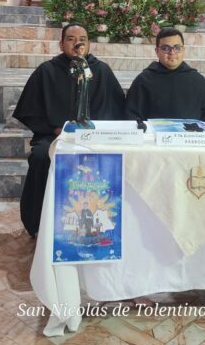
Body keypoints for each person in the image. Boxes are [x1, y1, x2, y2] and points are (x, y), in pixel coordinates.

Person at [13, 23, 125, 237]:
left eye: (82, 38)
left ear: (89, 43)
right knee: (40, 156)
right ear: (61, 43)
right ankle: (37, 224)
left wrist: (97, 132)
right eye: (71, 39)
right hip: (54, 136)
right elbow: (30, 110)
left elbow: (116, 108)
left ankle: (106, 224)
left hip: (94, 138)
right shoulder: (47, 71)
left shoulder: (101, 71)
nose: (77, 43)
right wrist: (55, 129)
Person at [125, 27, 205, 121]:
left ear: (183, 50)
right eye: (166, 48)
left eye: (177, 48)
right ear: (157, 51)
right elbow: (132, 116)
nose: (172, 52)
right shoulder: (143, 81)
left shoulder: (198, 81)